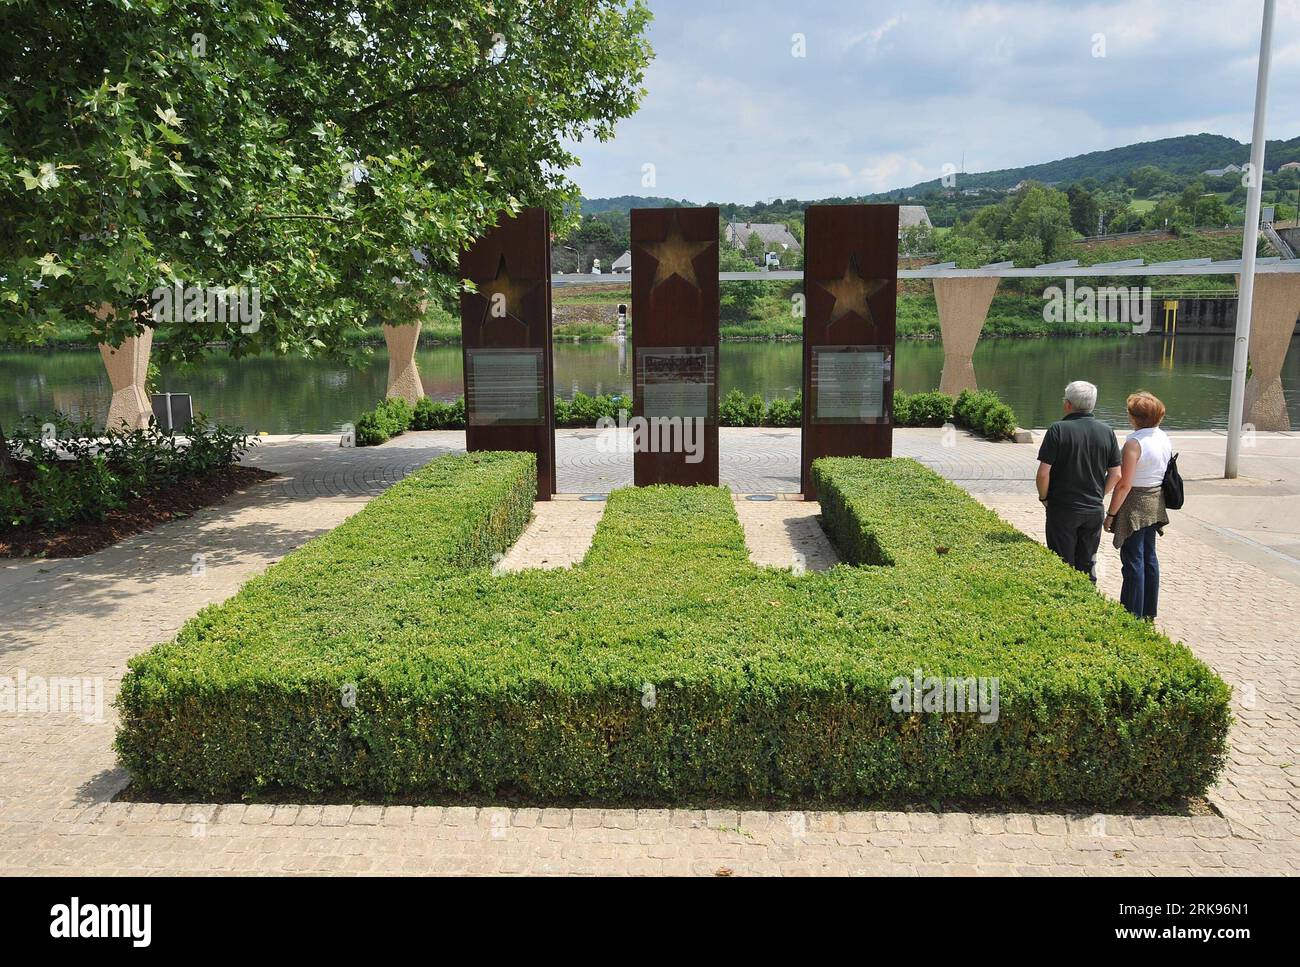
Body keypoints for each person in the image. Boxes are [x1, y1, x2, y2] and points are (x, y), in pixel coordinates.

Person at [1035, 381, 1122, 580]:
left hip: (1063, 508)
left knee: (1061, 563)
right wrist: (1099, 494)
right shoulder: (1107, 431)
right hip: (1093, 510)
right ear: (1093, 404)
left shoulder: (1058, 430)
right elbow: (1116, 474)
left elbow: (1043, 473)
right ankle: (1087, 600)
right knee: (1088, 562)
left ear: (1067, 404)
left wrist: (1044, 497)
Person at [1104, 391, 1172, 620]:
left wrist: (1111, 514)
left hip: (1135, 503)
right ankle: (1149, 610)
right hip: (1155, 501)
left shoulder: (1134, 444)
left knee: (1133, 560)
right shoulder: (1163, 437)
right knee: (1149, 557)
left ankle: (1131, 612)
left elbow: (1124, 485)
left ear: (1134, 418)